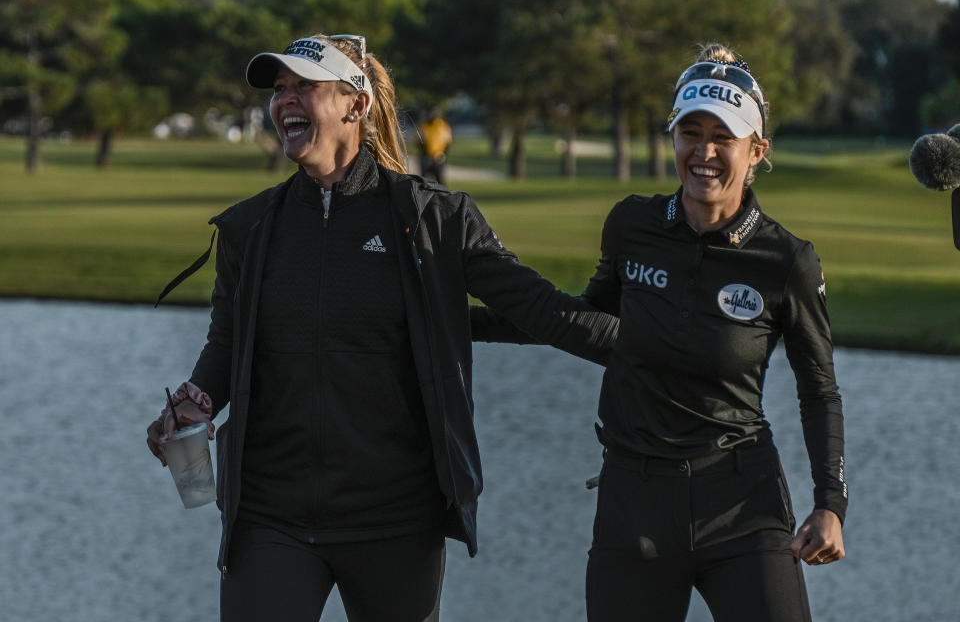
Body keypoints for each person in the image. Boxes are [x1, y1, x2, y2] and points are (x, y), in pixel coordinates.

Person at [145, 33, 617, 622]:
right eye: (279, 89)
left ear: (355, 105)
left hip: (395, 520)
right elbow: (228, 343)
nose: (285, 100)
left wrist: (664, 351)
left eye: (304, 86)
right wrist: (198, 401)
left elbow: (541, 310)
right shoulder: (251, 227)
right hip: (272, 517)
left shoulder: (433, 221)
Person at [476, 43, 847, 621]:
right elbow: (578, 322)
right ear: (671, 138)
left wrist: (831, 504)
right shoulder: (633, 225)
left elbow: (818, 388)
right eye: (690, 133)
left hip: (742, 504)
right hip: (636, 502)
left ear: (757, 152)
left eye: (723, 136)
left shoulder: (786, 261)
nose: (704, 152)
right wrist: (456, 321)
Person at [418, 107, 452, 184]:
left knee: (441, 182)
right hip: (426, 157)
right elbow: (419, 142)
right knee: (422, 182)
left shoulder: (443, 126)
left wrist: (443, 154)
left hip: (439, 157)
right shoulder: (423, 126)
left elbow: (448, 142)